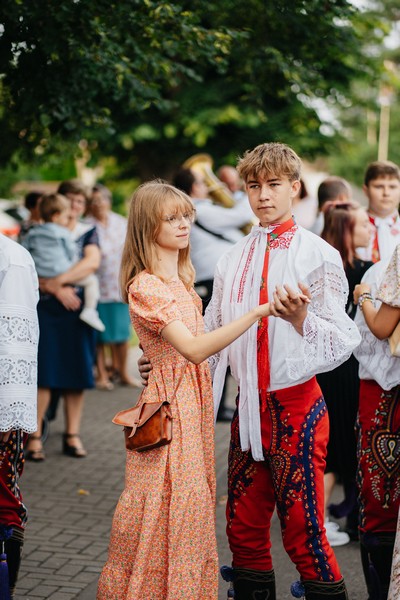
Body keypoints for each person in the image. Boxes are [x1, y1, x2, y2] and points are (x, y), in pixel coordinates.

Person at [139, 143, 361, 599]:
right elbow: (211, 333)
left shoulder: (318, 254)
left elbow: (343, 339)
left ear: (295, 188)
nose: (263, 195)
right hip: (246, 411)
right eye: (254, 185)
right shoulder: (232, 256)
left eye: (274, 184)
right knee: (241, 527)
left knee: (304, 530)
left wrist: (301, 318)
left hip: (296, 406)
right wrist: (164, 359)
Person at [96, 180, 305, 600]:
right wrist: (259, 312)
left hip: (191, 403)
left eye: (186, 216)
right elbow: (193, 349)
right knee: (161, 504)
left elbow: (180, 347)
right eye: (171, 218)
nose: (183, 224)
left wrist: (151, 357)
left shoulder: (182, 282)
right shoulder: (146, 285)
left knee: (187, 505)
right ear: (147, 225)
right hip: (170, 408)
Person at [25, 179, 101, 461]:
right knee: (42, 373)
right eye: (71, 200)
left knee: (76, 373)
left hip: (77, 310)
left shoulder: (87, 231)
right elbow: (25, 266)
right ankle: (34, 436)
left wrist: (57, 281)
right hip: (45, 308)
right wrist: (54, 288)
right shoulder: (34, 230)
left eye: (80, 202)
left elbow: (91, 263)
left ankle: (72, 434)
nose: (75, 206)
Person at [173, 167, 253, 421]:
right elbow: (240, 216)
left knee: (222, 342)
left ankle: (216, 404)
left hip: (217, 280)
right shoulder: (200, 210)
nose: (208, 185)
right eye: (202, 181)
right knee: (217, 343)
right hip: (212, 282)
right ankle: (211, 404)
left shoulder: (203, 210)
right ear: (192, 188)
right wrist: (244, 193)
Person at [318, 201, 373, 547]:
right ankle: (323, 523)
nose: (369, 230)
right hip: (349, 367)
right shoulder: (366, 271)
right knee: (342, 449)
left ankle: (322, 518)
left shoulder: (321, 269)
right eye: (363, 225)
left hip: (323, 366)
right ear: (347, 232)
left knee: (327, 446)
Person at [353, 244, 400, 600]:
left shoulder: (382, 270)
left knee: (380, 497)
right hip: (384, 390)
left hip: (384, 390)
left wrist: (364, 296)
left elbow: (379, 329)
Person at [0, 233, 39, 598]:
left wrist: (8, 415)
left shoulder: (11, 257)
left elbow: (17, 343)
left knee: (3, 502)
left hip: (3, 405)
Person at [22, 193, 105, 332]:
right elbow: (71, 252)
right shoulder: (63, 232)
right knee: (92, 281)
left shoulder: (32, 232)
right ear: (56, 216)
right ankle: (90, 311)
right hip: (62, 270)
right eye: (66, 216)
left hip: (40, 273)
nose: (67, 220)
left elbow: (25, 251)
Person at [86, 183, 140, 390]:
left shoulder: (121, 223)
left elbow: (132, 251)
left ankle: (123, 372)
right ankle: (102, 375)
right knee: (100, 336)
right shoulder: (87, 226)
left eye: (101, 199)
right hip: (97, 289)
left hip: (120, 286)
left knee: (122, 334)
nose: (98, 204)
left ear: (108, 201)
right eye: (93, 201)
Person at [356, 160, 400, 264]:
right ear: (366, 190)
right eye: (379, 186)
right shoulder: (352, 226)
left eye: (392, 187)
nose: (386, 193)